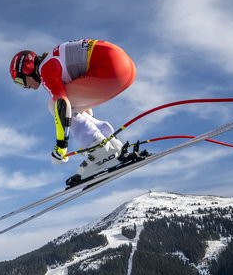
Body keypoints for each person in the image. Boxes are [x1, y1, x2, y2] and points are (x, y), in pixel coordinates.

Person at [9, 39, 138, 185]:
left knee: (54, 104)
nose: (25, 87)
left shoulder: (46, 69)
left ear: (27, 69)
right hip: (125, 67)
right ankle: (111, 145)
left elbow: (62, 104)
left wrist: (61, 146)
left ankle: (101, 151)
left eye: (20, 81)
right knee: (72, 106)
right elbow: (82, 109)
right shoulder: (54, 59)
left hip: (111, 69)